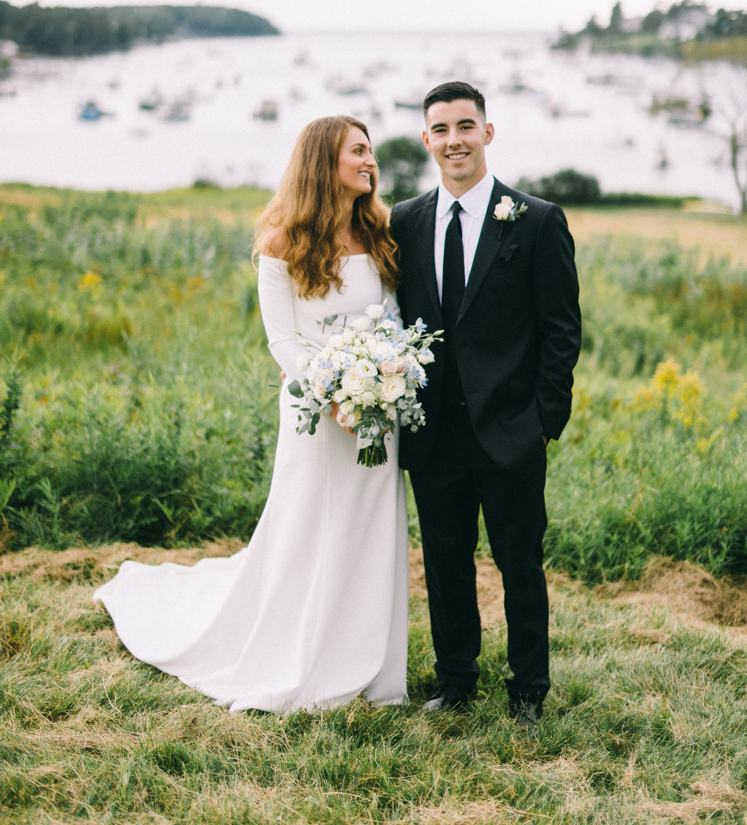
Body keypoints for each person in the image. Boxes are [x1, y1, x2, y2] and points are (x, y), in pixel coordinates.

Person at [94, 115, 409, 713]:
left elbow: (393, 320)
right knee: (308, 529)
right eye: (358, 151)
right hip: (316, 416)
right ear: (324, 162)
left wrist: (382, 383)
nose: (370, 161)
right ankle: (302, 653)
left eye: (370, 152)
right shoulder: (282, 244)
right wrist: (333, 393)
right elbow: (282, 343)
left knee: (370, 533)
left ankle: (373, 664)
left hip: (377, 414)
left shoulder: (385, 235)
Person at [390, 82, 581, 733]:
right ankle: (455, 681)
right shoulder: (404, 221)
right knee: (444, 565)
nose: (455, 140)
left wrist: (542, 423)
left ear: (488, 133)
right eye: (441, 130)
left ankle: (528, 692)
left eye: (466, 126)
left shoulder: (537, 220)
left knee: (519, 566)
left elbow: (561, 331)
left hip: (511, 433)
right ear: (427, 140)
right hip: (433, 435)